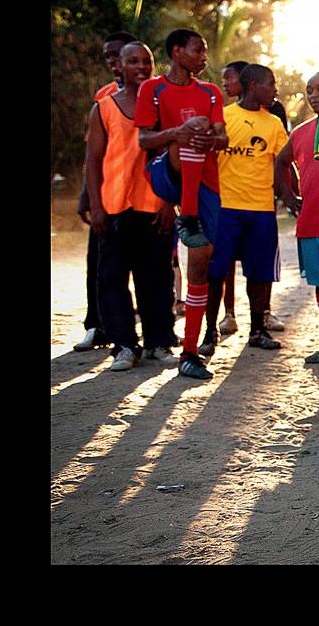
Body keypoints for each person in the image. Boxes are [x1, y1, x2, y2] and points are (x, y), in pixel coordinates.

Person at [136, 28, 228, 379]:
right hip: (166, 173)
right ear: (177, 52)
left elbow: (222, 137)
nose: (204, 57)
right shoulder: (153, 89)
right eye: (198, 50)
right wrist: (179, 132)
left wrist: (211, 137)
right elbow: (145, 139)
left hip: (206, 182)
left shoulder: (210, 91)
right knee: (188, 131)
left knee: (201, 262)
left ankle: (190, 353)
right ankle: (186, 217)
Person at [84, 41, 178, 370]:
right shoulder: (104, 108)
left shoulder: (162, 106)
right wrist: (96, 206)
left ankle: (159, 342)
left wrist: (169, 203)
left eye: (146, 61)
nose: (140, 66)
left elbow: (173, 158)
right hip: (114, 207)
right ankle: (124, 344)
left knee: (157, 278)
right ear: (119, 68)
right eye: (133, 61)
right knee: (111, 278)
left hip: (154, 206)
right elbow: (93, 161)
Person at [199, 64, 289, 358]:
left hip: (262, 210)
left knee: (259, 274)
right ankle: (209, 331)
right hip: (227, 209)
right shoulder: (224, 116)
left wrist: (291, 198)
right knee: (217, 272)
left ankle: (257, 331)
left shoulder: (274, 124)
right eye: (271, 84)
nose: (275, 89)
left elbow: (282, 166)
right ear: (254, 87)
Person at [74, 30, 138, 352]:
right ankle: (97, 325)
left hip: (142, 199)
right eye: (107, 57)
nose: (112, 61)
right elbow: (93, 154)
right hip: (108, 195)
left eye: (117, 55)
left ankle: (153, 330)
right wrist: (87, 194)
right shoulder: (104, 97)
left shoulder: (152, 93)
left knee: (151, 268)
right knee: (99, 264)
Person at [276, 70, 319, 364]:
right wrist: (289, 197)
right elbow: (280, 161)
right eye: (310, 89)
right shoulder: (301, 131)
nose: (314, 94)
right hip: (309, 225)